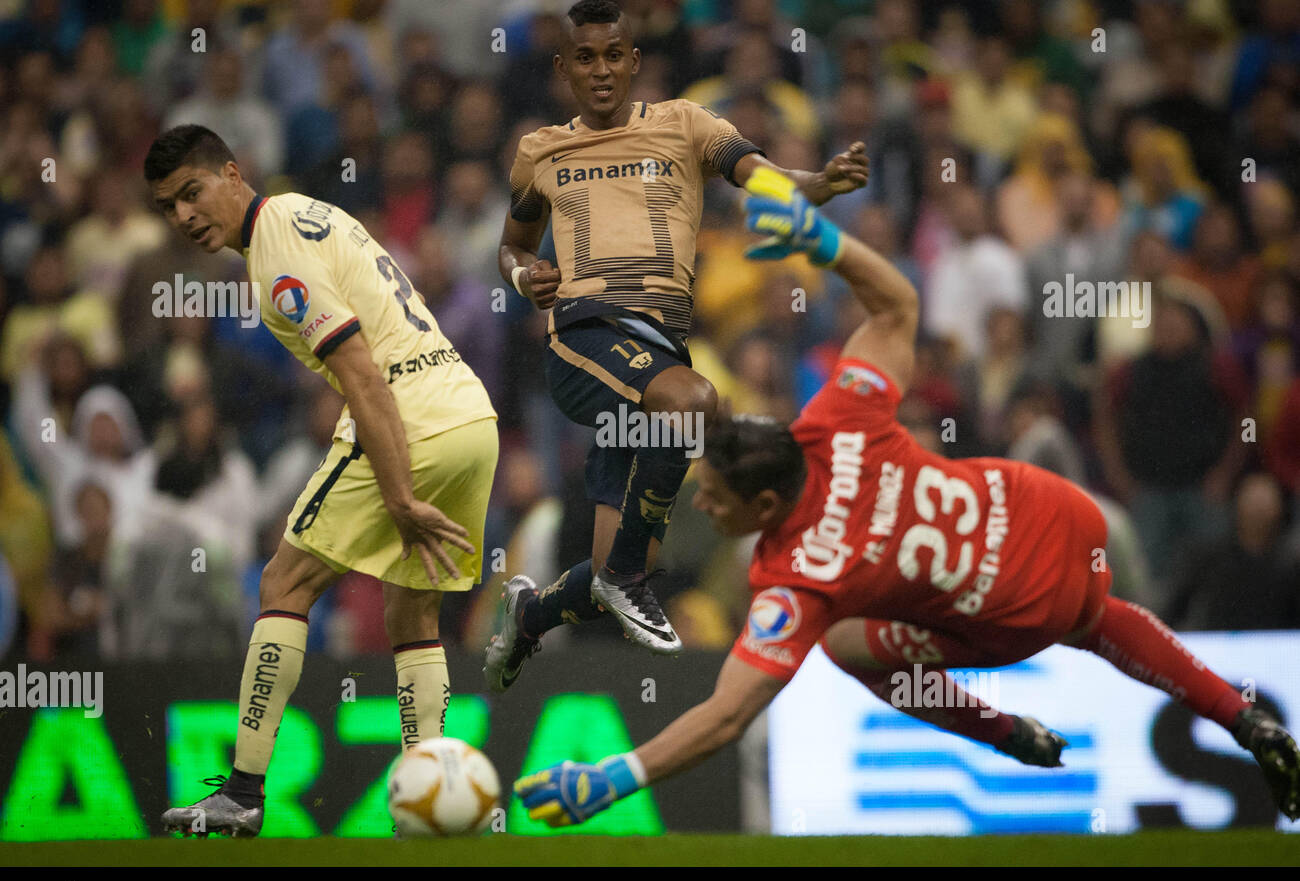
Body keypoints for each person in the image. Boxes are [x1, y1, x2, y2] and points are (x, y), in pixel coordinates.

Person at [513, 167, 1300, 828]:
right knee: (1097, 615)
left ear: (761, 510)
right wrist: (827, 243)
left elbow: (726, 715)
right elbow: (897, 307)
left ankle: (1003, 734)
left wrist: (612, 778)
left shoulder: (799, 580)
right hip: (1055, 509)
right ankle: (1244, 714)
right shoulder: (835, 417)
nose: (705, 509)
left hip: (1024, 608)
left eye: (715, 499)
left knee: (854, 644)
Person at [486, 0, 868, 690]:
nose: (600, 71)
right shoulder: (540, 150)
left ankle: (532, 614)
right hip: (584, 339)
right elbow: (512, 246)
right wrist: (524, 275)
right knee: (695, 403)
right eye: (585, 58)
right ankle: (631, 578)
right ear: (563, 66)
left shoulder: (685, 124)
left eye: (613, 56)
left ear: (634, 61)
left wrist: (812, 185)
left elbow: (757, 173)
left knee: (609, 565)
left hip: (652, 360)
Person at [143, 125, 498, 836]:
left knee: (284, 584)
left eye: (192, 192)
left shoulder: (275, 254)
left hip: (410, 418)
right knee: (413, 615)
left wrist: (398, 495)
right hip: (470, 419)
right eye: (168, 207)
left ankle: (242, 791)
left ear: (233, 173)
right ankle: (435, 801)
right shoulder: (309, 212)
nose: (183, 215)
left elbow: (361, 373)